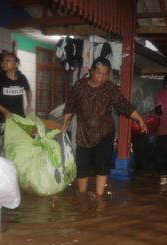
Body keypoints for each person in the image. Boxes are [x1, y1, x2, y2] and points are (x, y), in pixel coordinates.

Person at [61, 57, 148, 196]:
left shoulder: (110, 88)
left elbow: (123, 105)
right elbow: (70, 106)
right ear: (91, 71)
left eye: (105, 75)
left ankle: (100, 197)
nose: (101, 78)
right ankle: (82, 196)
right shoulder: (79, 86)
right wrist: (64, 124)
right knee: (82, 166)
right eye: (98, 73)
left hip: (104, 134)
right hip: (84, 134)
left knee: (102, 167)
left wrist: (139, 119)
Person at [0, 52, 32, 154]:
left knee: (24, 143)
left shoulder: (22, 78)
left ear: (16, 64)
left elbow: (28, 91)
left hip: (20, 119)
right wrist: (5, 111)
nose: (4, 62)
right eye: (3, 61)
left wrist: (29, 104)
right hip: (3, 120)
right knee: (2, 148)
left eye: (8, 60)